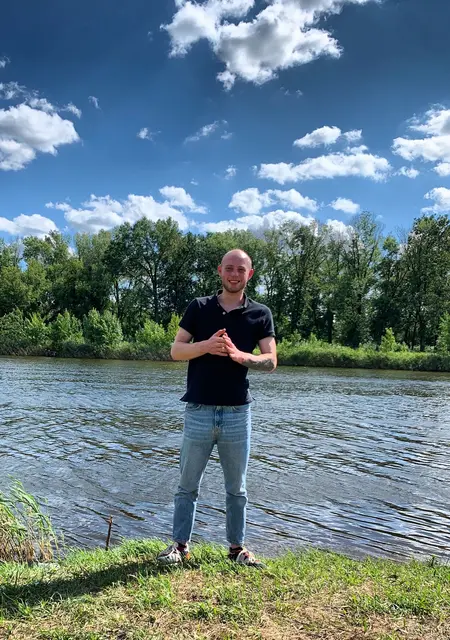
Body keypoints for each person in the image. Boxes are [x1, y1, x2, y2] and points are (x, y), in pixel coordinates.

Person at [157, 249, 277, 568]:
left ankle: (237, 549)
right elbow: (176, 350)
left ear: (250, 274)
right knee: (187, 485)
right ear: (220, 271)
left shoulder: (260, 313)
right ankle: (180, 547)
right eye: (229, 268)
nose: (234, 274)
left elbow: (271, 361)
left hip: (237, 413)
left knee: (237, 488)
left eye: (241, 269)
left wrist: (241, 356)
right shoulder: (199, 307)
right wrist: (206, 346)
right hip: (198, 409)